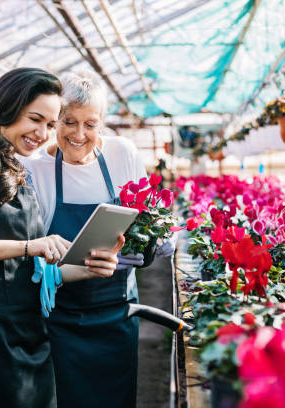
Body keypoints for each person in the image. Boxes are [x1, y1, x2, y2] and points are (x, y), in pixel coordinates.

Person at [0, 68, 122, 407]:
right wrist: (29, 245)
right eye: (36, 119)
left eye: (50, 124)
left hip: (30, 329)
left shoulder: (20, 170)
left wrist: (90, 267)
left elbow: (32, 272)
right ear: (6, 109)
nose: (43, 133)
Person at [21, 70, 176, 408]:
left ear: (103, 124)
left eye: (90, 124)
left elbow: (149, 220)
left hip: (117, 313)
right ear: (54, 122)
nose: (79, 134)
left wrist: (148, 249)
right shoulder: (34, 169)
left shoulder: (123, 154)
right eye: (68, 122)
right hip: (61, 319)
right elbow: (28, 251)